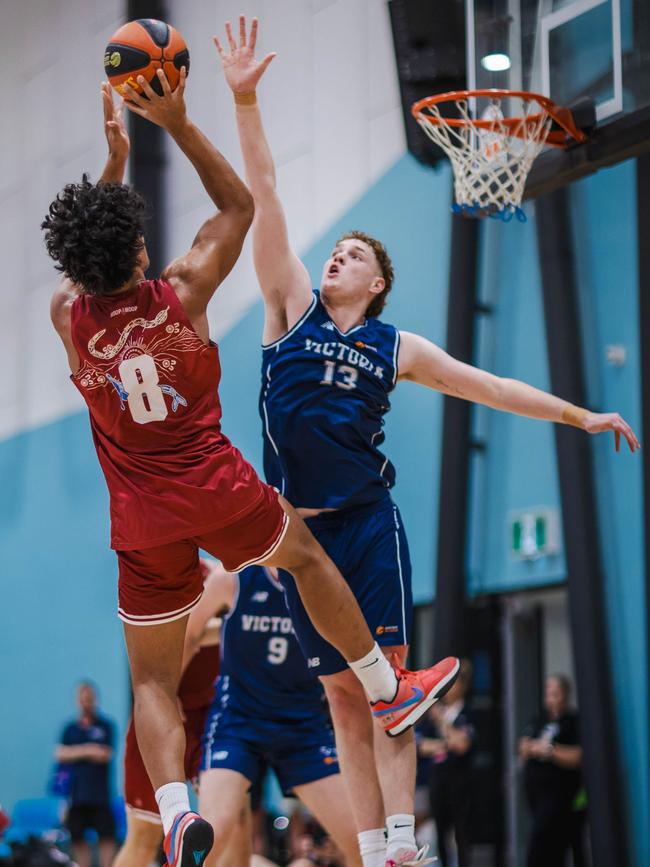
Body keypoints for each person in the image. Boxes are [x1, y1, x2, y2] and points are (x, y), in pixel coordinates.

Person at [214, 16, 639, 867]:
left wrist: (582, 415)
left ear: (376, 282)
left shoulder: (396, 345)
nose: (334, 257)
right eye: (334, 250)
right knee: (341, 697)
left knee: (390, 696)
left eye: (352, 254)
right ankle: (373, 850)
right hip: (299, 536)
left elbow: (493, 386)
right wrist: (247, 101)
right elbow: (263, 196)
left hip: (367, 525)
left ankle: (405, 845)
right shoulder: (286, 308)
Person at [43, 66, 455, 867]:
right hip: (213, 484)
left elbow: (85, 259)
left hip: (139, 517)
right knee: (302, 555)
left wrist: (113, 164)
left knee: (153, 683)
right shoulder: (182, 290)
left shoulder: (68, 317)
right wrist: (177, 122)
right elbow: (238, 204)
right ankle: (385, 685)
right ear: (137, 245)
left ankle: (176, 810)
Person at [199, 562, 361, 867]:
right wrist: (179, 711)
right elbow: (186, 636)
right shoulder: (232, 578)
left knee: (362, 841)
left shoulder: (326, 580)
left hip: (303, 727)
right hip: (238, 723)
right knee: (209, 835)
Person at [114, 559, 227, 867]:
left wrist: (209, 628)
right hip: (160, 716)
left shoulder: (221, 576)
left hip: (208, 717)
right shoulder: (146, 574)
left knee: (225, 824)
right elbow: (166, 641)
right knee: (143, 836)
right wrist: (216, 626)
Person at [519, 674, 583, 867]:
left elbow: (578, 756)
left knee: (541, 842)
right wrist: (530, 748)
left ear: (565, 694)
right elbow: (523, 747)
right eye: (548, 692)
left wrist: (549, 750)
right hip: (535, 795)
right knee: (551, 845)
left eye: (556, 692)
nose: (551, 697)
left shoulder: (572, 721)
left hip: (560, 794)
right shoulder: (539, 719)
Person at [55, 681, 116, 867]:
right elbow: (60, 754)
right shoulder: (70, 729)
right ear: (77, 701)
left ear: (95, 699)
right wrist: (89, 750)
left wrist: (75, 752)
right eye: (82, 699)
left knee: (107, 836)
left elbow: (105, 754)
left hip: (100, 795)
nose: (86, 702)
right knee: (78, 837)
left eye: (89, 698)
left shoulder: (105, 726)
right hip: (77, 795)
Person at [420, 662, 475, 867]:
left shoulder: (466, 712)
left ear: (462, 686)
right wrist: (446, 743)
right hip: (437, 778)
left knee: (461, 831)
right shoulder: (434, 711)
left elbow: (462, 744)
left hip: (460, 780)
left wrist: (443, 723)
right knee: (440, 829)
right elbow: (421, 744)